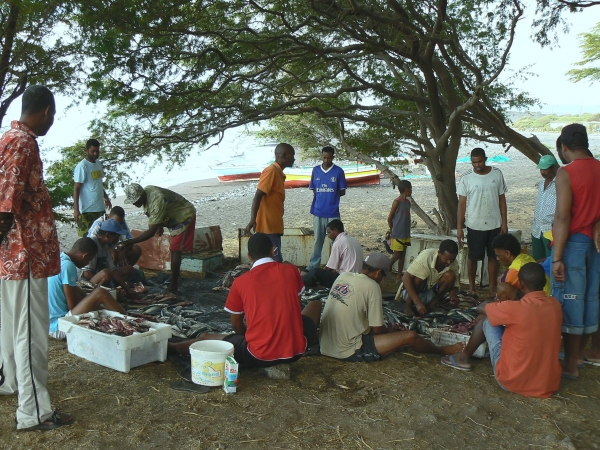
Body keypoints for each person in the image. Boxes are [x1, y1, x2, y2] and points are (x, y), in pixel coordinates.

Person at [0, 85, 74, 430]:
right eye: (54, 115)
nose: (52, 121)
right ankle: (34, 413)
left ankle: (11, 384)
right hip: (25, 258)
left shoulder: (9, 139)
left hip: (13, 257)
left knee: (13, 330)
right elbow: (5, 206)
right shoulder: (23, 143)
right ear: (46, 111)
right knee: (31, 335)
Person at [168, 233, 322, 368]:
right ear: (272, 251)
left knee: (206, 338)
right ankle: (309, 337)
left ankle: (173, 348)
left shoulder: (241, 282)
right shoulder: (291, 270)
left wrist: (246, 335)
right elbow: (296, 300)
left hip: (260, 355)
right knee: (315, 304)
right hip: (296, 351)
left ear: (249, 256)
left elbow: (236, 324)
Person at [442, 263, 562, 399]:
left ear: (521, 284)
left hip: (512, 381)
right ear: (545, 282)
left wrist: (502, 301)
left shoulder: (515, 308)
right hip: (547, 385)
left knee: (485, 321)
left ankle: (463, 358)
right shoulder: (555, 305)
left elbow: (481, 307)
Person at [319, 253, 464, 362]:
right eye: (383, 277)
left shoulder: (343, 276)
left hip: (324, 344)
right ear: (378, 273)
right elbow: (377, 331)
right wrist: (391, 332)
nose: (381, 281)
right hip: (347, 350)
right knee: (410, 336)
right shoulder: (372, 286)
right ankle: (441, 350)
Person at [552, 123, 600, 380]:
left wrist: (557, 257)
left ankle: (570, 365)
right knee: (591, 300)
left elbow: (562, 216)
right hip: (596, 244)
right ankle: (580, 355)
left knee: (571, 301)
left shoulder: (566, 173)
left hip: (574, 244)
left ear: (565, 147)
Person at [120, 184, 197, 293]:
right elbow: (158, 212)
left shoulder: (157, 199)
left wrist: (130, 241)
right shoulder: (148, 193)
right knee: (174, 249)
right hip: (171, 216)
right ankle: (176, 276)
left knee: (175, 250)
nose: (134, 203)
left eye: (136, 200)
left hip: (183, 216)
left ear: (142, 195)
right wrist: (159, 225)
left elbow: (151, 232)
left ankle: (174, 284)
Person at [48, 238, 127, 339]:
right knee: (100, 293)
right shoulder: (69, 266)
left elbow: (75, 292)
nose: (87, 263)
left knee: (79, 290)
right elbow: (72, 307)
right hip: (61, 326)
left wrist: (92, 302)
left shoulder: (59, 258)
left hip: (49, 324)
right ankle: (128, 319)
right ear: (85, 255)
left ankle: (121, 317)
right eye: (89, 260)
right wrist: (94, 305)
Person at [457, 148, 508, 298]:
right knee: (473, 257)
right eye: (474, 162)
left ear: (485, 159)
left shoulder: (497, 174)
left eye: (479, 161)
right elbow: (462, 204)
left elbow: (502, 199)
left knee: (493, 257)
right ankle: (472, 288)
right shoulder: (466, 178)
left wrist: (504, 223)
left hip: (495, 224)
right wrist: (460, 227)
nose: (477, 165)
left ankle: (492, 289)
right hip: (474, 225)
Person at [244, 143, 296, 262]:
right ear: (284, 156)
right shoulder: (271, 171)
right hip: (268, 228)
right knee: (275, 260)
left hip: (274, 226)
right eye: (292, 155)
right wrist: (253, 219)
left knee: (272, 260)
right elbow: (258, 195)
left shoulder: (278, 173)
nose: (294, 158)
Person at [306, 146, 347, 271]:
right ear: (322, 156)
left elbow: (342, 191)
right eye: (324, 157)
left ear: (333, 157)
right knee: (318, 240)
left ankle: (335, 267)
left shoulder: (338, 171)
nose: (326, 160)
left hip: (333, 213)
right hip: (318, 212)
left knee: (335, 242)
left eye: (329, 158)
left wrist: (331, 197)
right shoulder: (316, 170)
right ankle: (314, 265)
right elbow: (314, 189)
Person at [396, 240, 461, 316]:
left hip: (430, 294)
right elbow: (405, 278)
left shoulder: (454, 263)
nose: (449, 262)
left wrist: (453, 296)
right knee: (421, 274)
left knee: (450, 275)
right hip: (411, 294)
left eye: (452, 259)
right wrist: (418, 303)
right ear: (439, 253)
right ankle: (408, 305)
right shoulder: (427, 256)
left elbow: (454, 286)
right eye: (446, 259)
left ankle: (432, 305)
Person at [80, 219, 135, 297]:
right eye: (117, 237)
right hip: (87, 282)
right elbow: (87, 274)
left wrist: (127, 289)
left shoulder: (105, 245)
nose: (118, 240)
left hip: (101, 278)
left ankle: (111, 290)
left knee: (129, 269)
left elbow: (113, 270)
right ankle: (96, 295)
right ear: (108, 235)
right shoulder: (92, 243)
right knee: (106, 274)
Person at [302, 219, 363, 289]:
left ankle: (300, 283)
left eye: (329, 232)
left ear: (336, 230)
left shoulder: (339, 242)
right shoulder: (353, 240)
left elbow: (330, 267)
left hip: (344, 279)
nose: (328, 236)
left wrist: (321, 274)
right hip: (356, 277)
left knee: (316, 271)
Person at [492, 233, 550, 301]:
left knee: (503, 288)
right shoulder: (525, 257)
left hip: (537, 304)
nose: (497, 259)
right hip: (546, 297)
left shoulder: (514, 271)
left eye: (498, 255)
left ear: (507, 253)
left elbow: (500, 294)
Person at [73, 139, 112, 237]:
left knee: (101, 236)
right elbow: (76, 188)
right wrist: (76, 210)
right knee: (87, 238)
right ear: (86, 150)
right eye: (93, 151)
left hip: (99, 207)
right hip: (87, 209)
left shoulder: (98, 163)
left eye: (97, 151)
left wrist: (106, 198)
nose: (95, 153)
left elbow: (98, 183)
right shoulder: (82, 166)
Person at [531, 155, 559, 261]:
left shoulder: (559, 183)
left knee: (550, 260)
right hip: (537, 228)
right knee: (538, 259)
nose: (543, 172)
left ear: (553, 168)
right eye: (541, 169)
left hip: (549, 228)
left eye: (545, 169)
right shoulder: (541, 183)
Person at [386, 180, 412, 281]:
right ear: (407, 190)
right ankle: (385, 270)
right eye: (410, 189)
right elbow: (390, 218)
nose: (411, 191)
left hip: (406, 233)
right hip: (397, 233)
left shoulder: (408, 203)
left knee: (403, 255)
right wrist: (391, 230)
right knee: (396, 255)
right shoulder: (397, 202)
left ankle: (399, 276)